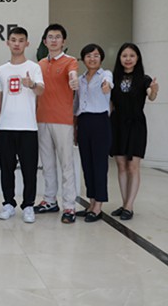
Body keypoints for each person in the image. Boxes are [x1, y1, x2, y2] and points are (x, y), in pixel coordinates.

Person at [0, 27, 44, 224]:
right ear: (8, 42)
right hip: (6, 126)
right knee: (6, 168)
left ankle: (28, 205)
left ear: (27, 43)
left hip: (28, 127)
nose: (17, 43)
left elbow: (41, 91)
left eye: (21, 40)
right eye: (13, 40)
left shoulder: (34, 67)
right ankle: (8, 203)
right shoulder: (1, 70)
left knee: (29, 169)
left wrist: (31, 84)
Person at [34, 23, 80, 224]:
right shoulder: (40, 64)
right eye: (50, 37)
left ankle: (69, 205)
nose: (54, 40)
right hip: (42, 119)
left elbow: (72, 74)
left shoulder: (70, 61)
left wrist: (73, 80)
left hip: (63, 120)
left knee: (66, 164)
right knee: (47, 163)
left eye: (57, 37)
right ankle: (50, 200)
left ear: (63, 41)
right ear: (45, 41)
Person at [109, 43, 159, 221]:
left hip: (136, 125)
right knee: (121, 166)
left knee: (133, 166)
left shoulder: (144, 79)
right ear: (119, 58)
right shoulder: (113, 77)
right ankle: (125, 204)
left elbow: (151, 95)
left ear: (137, 58)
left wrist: (154, 90)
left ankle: (129, 206)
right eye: (124, 56)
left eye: (132, 55)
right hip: (117, 124)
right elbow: (110, 103)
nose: (128, 59)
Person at [73, 44, 112, 222]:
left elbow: (108, 83)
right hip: (84, 122)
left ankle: (98, 207)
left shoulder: (105, 74)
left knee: (99, 165)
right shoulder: (80, 79)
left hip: (100, 122)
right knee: (87, 164)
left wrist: (106, 86)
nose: (92, 59)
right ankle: (91, 202)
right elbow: (76, 104)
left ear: (101, 58)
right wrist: (75, 128)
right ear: (83, 59)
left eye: (96, 55)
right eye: (88, 56)